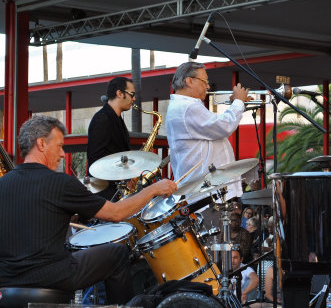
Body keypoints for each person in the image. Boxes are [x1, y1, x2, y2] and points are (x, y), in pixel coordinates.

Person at [0, 115, 177, 305]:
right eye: (59, 146)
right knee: (117, 253)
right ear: (41, 144)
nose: (62, 153)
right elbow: (115, 213)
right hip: (53, 275)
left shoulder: (3, 183)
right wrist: (154, 189)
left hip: (7, 278)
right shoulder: (60, 183)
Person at [166, 62, 249, 201]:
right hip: (206, 194)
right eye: (205, 81)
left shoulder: (184, 105)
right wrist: (238, 102)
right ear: (189, 81)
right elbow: (224, 126)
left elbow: (214, 127)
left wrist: (236, 105)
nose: (208, 86)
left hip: (208, 190)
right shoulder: (188, 106)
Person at [87, 76, 136, 200]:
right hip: (105, 193)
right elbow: (95, 158)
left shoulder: (117, 118)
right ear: (119, 93)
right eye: (132, 94)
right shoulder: (102, 118)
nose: (134, 99)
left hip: (115, 190)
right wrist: (122, 177)